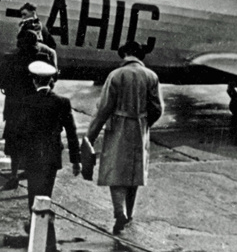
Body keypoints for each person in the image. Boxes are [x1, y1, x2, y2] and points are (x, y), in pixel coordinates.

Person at [84, 40, 163, 235]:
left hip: (118, 127)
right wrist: (144, 123)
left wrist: (89, 138)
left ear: (126, 54)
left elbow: (103, 109)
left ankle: (120, 212)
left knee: (115, 171)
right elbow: (158, 109)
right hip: (140, 127)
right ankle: (130, 213)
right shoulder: (151, 76)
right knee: (134, 173)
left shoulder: (116, 75)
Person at [15, 60, 82, 216]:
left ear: (34, 80)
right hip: (52, 153)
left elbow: (19, 132)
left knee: (33, 190)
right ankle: (42, 221)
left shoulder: (26, 101)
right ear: (51, 81)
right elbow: (71, 132)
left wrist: (18, 156)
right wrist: (76, 160)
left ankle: (33, 222)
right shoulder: (62, 102)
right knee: (46, 190)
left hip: (32, 154)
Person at [0, 28, 57, 189]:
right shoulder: (43, 57)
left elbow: (1, 81)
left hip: (15, 106)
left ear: (18, 42)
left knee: (14, 142)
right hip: (37, 106)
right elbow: (52, 80)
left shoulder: (9, 58)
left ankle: (14, 174)